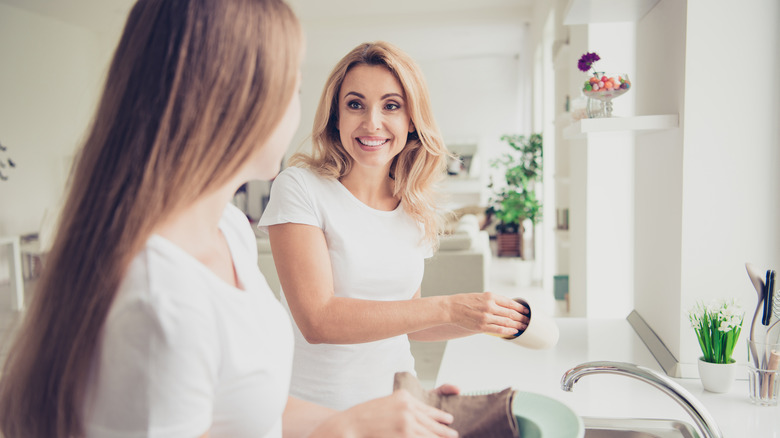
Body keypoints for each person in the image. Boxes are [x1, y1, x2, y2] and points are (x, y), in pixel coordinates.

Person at [0, 2, 460, 437]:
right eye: (291, 89)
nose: (300, 111)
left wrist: (384, 417)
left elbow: (255, 406)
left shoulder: (229, 232)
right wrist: (349, 427)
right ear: (232, 103)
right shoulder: (158, 297)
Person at [258, 41, 531, 411]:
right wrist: (450, 307)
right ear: (336, 116)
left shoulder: (415, 206)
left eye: (391, 106)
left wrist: (485, 317)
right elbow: (318, 320)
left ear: (411, 120)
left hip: (399, 405)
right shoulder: (300, 187)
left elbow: (410, 319)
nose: (372, 123)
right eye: (355, 104)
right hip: (317, 414)